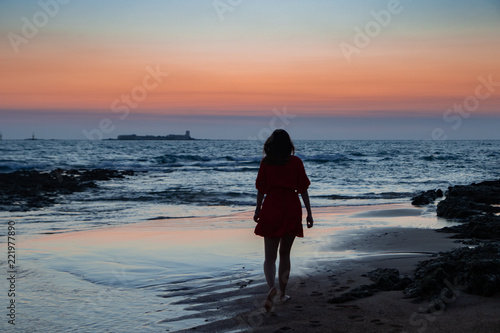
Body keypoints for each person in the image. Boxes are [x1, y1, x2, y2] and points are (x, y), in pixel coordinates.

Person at [253, 129, 313, 312]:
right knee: (285, 254)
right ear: (289, 145)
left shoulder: (266, 163)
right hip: (290, 206)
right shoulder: (295, 162)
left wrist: (258, 209)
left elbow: (261, 189)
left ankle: (271, 287)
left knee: (269, 257)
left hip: (271, 206)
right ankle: (282, 293)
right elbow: (303, 189)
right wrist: (309, 213)